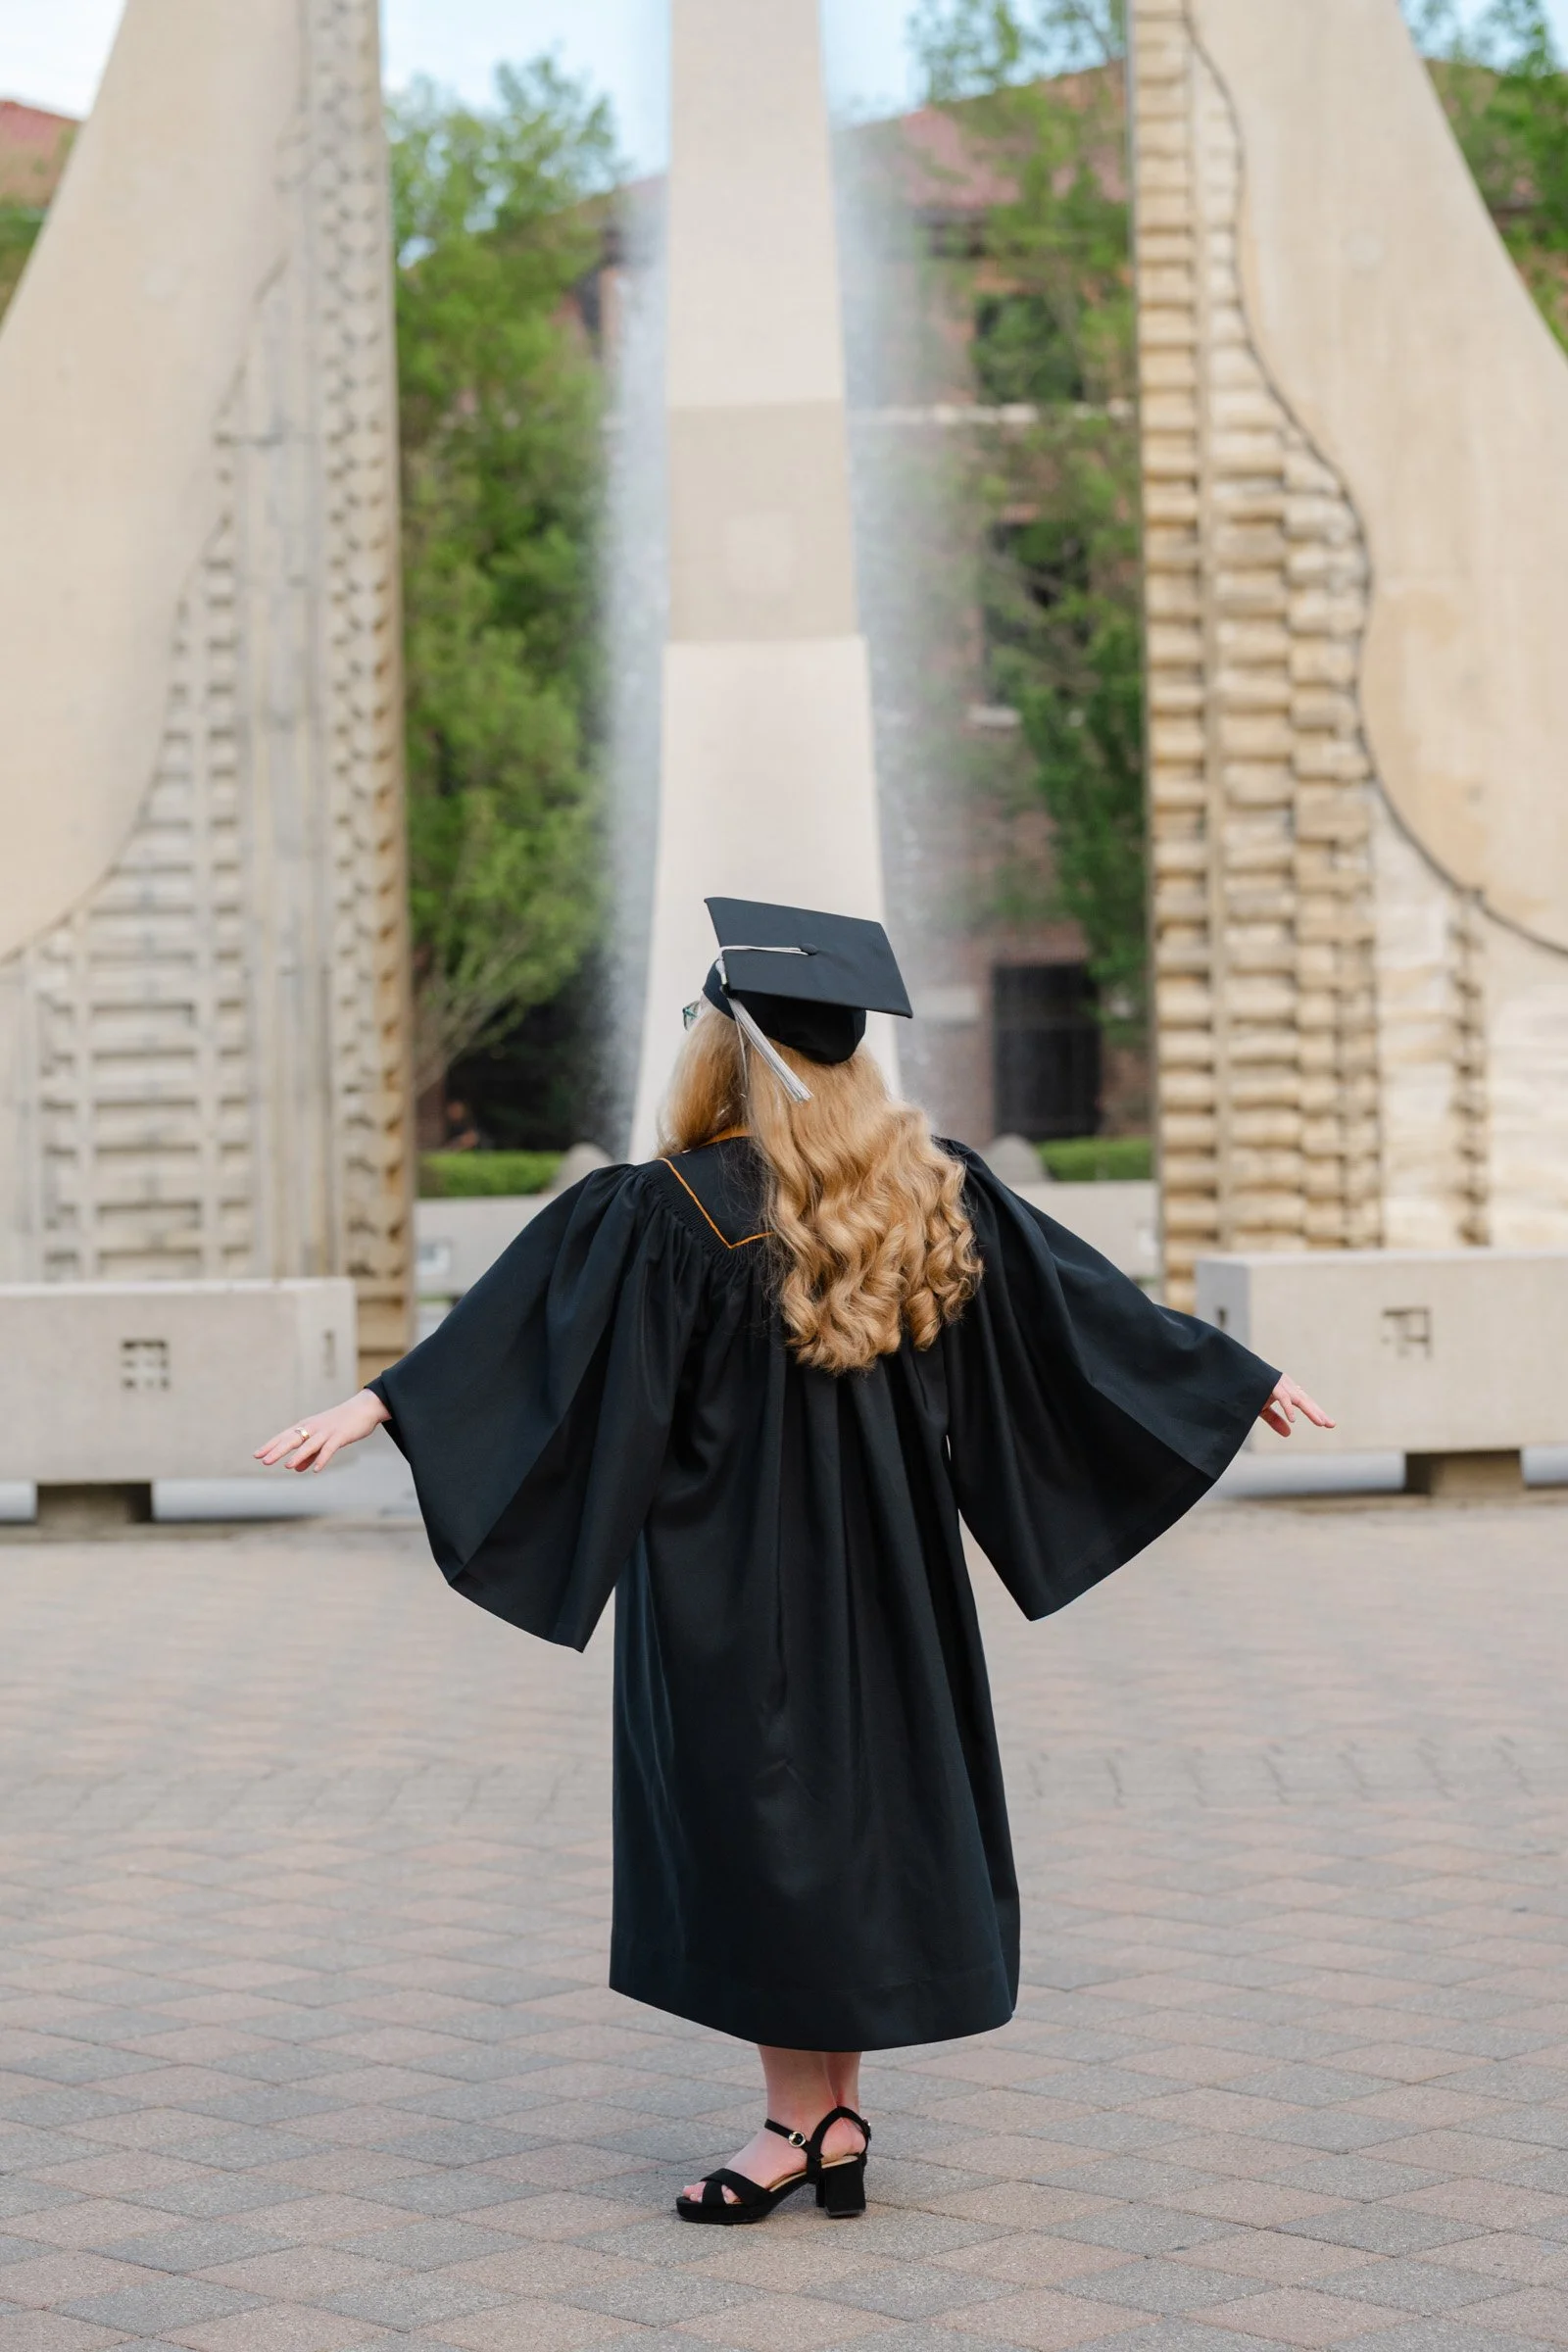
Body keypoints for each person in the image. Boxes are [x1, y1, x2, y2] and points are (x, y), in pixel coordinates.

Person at [258, 897, 1330, 2229]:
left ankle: (795, 2123)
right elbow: (1086, 1319)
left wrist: (392, 1406)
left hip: (726, 1577)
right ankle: (832, 2114)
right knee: (849, 1822)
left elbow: (533, 1337)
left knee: (768, 1830)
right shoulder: (929, 1188)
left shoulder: (671, 1213)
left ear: (719, 1054)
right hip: (893, 1573)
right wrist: (1227, 1378)